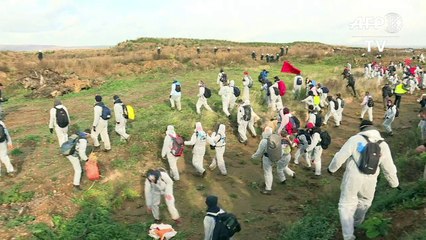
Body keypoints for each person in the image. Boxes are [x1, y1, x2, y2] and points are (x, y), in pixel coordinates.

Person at [327, 120, 399, 240]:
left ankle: (349, 236)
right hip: (370, 179)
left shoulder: (355, 139)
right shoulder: (383, 145)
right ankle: (357, 224)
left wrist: (331, 169)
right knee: (364, 202)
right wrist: (394, 183)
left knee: (346, 205)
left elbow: (340, 156)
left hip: (353, 177)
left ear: (362, 129)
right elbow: (389, 167)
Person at [251, 127, 290, 195]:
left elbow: (259, 152)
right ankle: (277, 181)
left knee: (268, 173)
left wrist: (253, 157)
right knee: (276, 170)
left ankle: (268, 188)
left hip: (267, 158)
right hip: (277, 157)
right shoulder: (276, 138)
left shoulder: (264, 141)